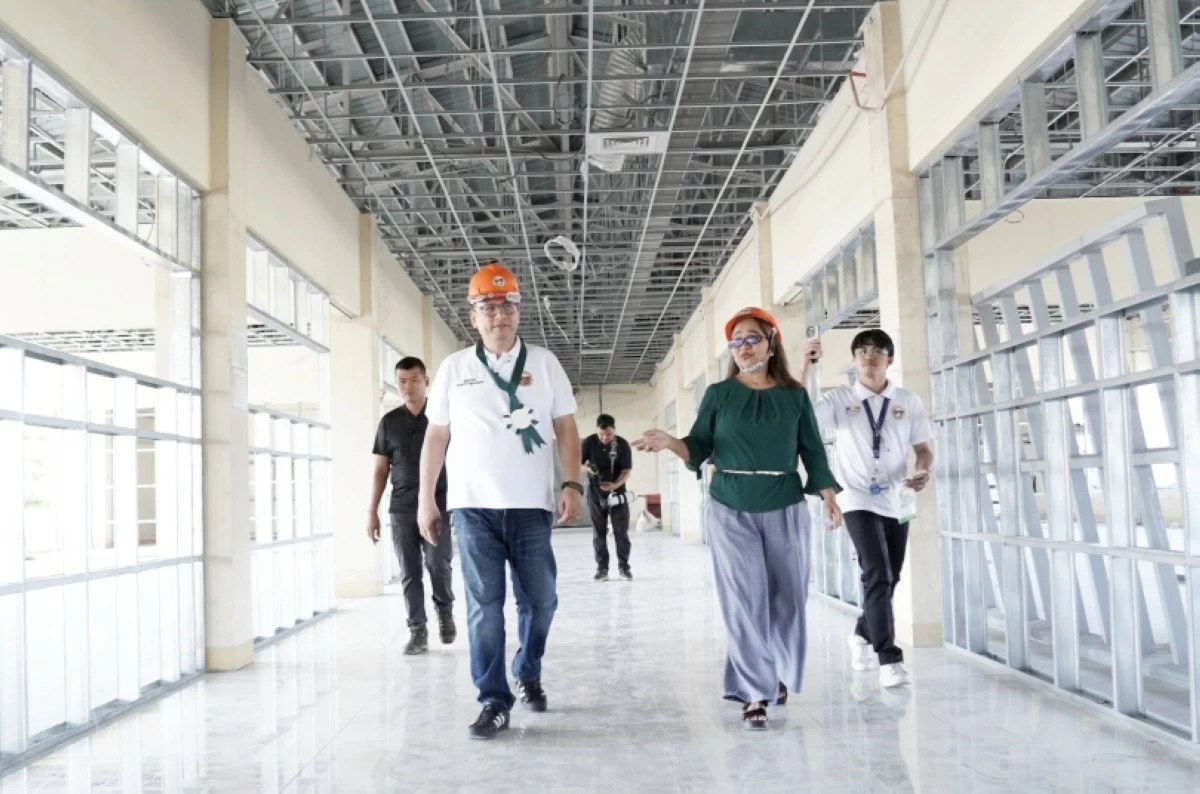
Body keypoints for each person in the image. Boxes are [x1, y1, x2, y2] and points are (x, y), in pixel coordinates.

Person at [634, 307, 842, 730]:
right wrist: (671, 441)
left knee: (787, 599)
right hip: (730, 505)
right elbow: (699, 445)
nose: (743, 347)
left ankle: (774, 671)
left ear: (771, 345)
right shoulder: (719, 394)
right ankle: (753, 691)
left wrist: (827, 495)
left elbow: (812, 449)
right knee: (746, 600)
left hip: (784, 503)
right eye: (736, 340)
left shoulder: (794, 396)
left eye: (752, 338)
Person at [417, 261, 583, 740]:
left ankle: (527, 669)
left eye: (507, 305)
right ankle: (493, 699)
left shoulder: (545, 364)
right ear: (473, 317)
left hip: (531, 507)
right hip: (473, 509)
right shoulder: (455, 369)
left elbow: (566, 426)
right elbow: (436, 437)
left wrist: (572, 483)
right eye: (487, 307)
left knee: (541, 602)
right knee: (484, 606)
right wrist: (426, 498)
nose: (498, 315)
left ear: (519, 311)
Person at [798, 329, 934, 689]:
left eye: (877, 351)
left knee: (891, 576)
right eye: (862, 351)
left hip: (900, 496)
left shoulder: (907, 401)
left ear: (890, 359)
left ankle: (861, 633)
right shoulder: (840, 399)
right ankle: (889, 659)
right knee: (877, 572)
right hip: (856, 496)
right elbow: (800, 413)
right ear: (854, 359)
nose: (868, 356)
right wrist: (806, 367)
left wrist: (923, 471)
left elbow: (923, 449)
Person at [367, 356, 455, 655]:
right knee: (409, 571)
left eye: (414, 380)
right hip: (402, 507)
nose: (408, 387)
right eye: (402, 381)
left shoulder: (442, 417)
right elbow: (380, 470)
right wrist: (372, 511)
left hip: (438, 504)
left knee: (438, 563)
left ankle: (445, 611)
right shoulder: (389, 422)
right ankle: (417, 630)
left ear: (426, 382)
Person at [581, 414, 634, 581]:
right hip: (595, 492)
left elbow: (626, 471)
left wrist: (615, 485)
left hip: (617, 491)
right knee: (599, 532)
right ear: (597, 431)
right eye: (601, 434)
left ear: (614, 430)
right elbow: (577, 465)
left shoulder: (622, 444)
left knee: (621, 532)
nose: (605, 438)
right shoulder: (588, 442)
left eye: (609, 434)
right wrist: (588, 469)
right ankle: (602, 569)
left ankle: (624, 568)